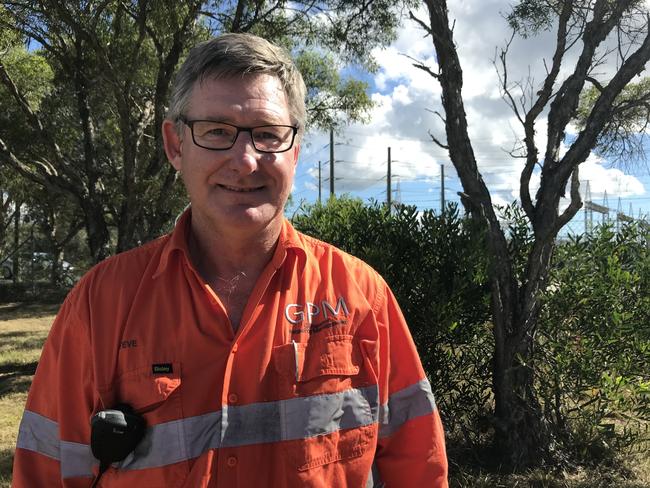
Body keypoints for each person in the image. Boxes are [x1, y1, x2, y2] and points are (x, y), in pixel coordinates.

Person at [12, 33, 448, 487]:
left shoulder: (362, 296)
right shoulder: (99, 303)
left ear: (295, 153)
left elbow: (418, 466)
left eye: (268, 135)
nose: (245, 160)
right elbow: (45, 473)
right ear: (176, 145)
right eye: (217, 131)